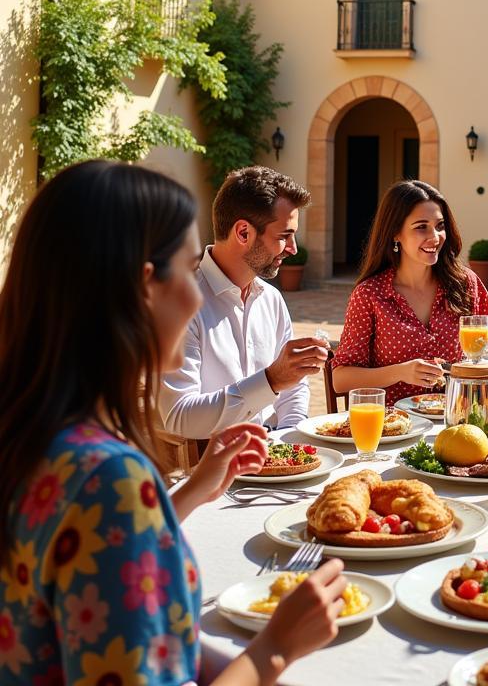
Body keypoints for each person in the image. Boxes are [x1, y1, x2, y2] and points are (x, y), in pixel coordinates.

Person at [0, 160, 348, 686]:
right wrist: (275, 648)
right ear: (145, 288)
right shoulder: (108, 480)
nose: (196, 292)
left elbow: (111, 581)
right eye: (187, 268)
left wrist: (184, 496)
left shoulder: (37, 435)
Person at [160, 166, 328, 438]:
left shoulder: (271, 299)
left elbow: (294, 389)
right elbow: (179, 416)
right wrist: (271, 380)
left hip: (271, 457)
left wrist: (288, 442)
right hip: (210, 474)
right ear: (243, 233)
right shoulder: (178, 304)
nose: (293, 249)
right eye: (284, 236)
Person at [331, 180, 488, 405]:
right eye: (421, 227)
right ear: (395, 234)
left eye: (440, 226)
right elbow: (340, 380)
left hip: (455, 420)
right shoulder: (370, 295)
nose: (435, 236)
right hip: (394, 429)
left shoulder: (465, 284)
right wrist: (401, 372)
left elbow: (482, 356)